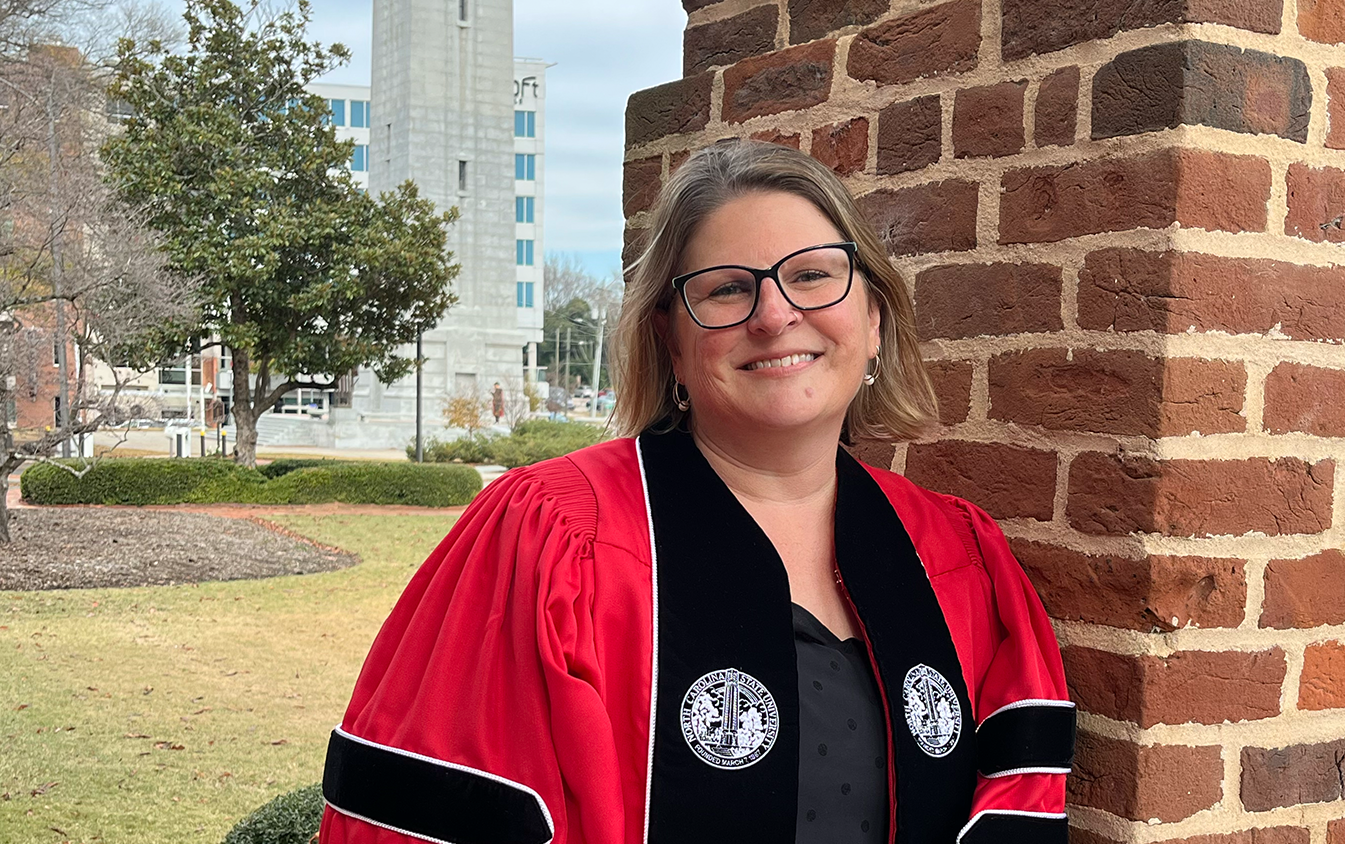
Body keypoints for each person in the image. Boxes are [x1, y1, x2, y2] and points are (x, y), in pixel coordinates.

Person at [318, 140, 1074, 844]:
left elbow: (1018, 792)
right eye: (725, 290)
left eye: (813, 275)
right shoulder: (548, 532)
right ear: (670, 343)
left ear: (873, 319)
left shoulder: (956, 552)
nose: (776, 316)